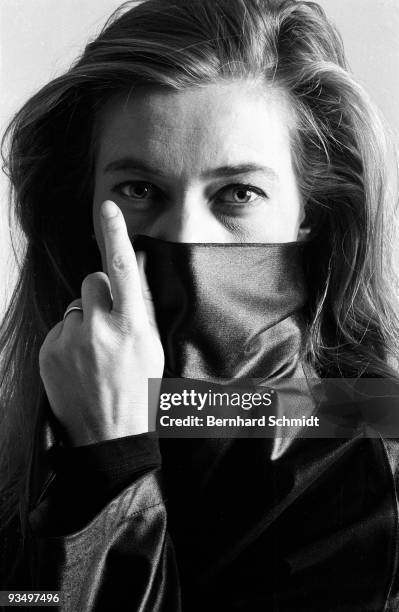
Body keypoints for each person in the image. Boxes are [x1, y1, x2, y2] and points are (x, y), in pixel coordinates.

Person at [1, 0, 399, 609]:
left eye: (238, 193)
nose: (184, 237)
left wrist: (110, 464)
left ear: (311, 215)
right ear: (79, 208)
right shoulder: (25, 438)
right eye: (140, 190)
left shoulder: (373, 457)